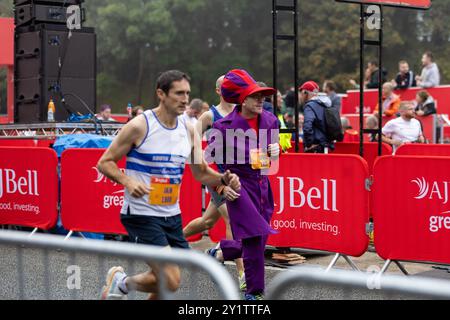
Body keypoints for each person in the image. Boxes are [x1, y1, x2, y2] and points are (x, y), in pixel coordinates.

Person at [97, 70, 241, 300]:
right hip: (141, 215)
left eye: (187, 93)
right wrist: (127, 180)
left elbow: (201, 172)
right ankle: (122, 283)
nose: (185, 99)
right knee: (171, 280)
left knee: (164, 281)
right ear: (161, 94)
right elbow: (105, 162)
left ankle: (121, 283)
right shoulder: (139, 126)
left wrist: (223, 179)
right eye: (178, 93)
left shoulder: (187, 130)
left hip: (171, 216)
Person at [206, 69, 280, 300]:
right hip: (238, 189)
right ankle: (254, 293)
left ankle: (220, 251)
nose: (261, 100)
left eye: (262, 96)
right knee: (256, 237)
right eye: (255, 96)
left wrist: (276, 153)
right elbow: (208, 167)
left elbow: (270, 164)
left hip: (263, 189)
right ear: (242, 99)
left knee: (257, 241)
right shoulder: (223, 127)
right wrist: (221, 188)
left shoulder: (271, 121)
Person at [182, 75, 246, 290]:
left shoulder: (240, 112)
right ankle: (241, 274)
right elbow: (192, 141)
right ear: (219, 91)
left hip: (236, 177)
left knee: (207, 222)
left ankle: (173, 240)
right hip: (216, 176)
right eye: (226, 88)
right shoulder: (210, 115)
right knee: (234, 220)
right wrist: (203, 170)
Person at [300, 81, 334, 153]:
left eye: (302, 92)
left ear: (306, 93)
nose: (301, 95)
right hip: (326, 146)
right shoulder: (324, 105)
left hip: (316, 148)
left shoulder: (309, 106)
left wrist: (309, 144)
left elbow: (307, 126)